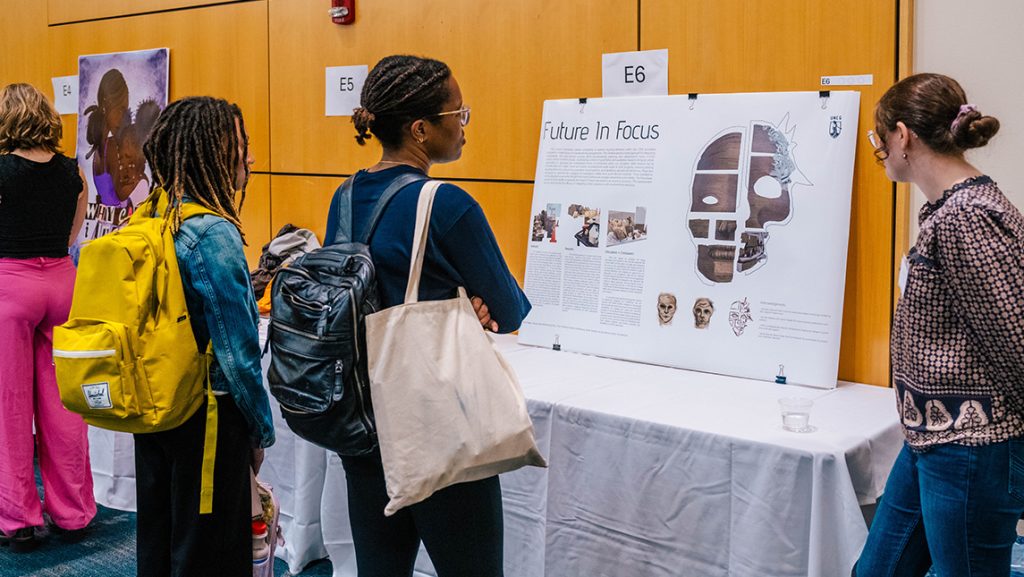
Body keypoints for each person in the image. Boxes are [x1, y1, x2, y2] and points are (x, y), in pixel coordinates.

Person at [324, 54, 531, 577]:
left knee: (380, 568)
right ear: (420, 129)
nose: (464, 125)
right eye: (457, 114)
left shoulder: (343, 197)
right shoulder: (447, 204)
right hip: (436, 425)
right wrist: (469, 303)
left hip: (363, 422)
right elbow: (506, 311)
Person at [854, 73, 1024, 576]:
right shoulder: (949, 210)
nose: (880, 149)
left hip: (974, 449)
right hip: (933, 438)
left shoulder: (966, 217)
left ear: (901, 136)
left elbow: (1016, 341)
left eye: (878, 139)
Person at [135, 96, 275, 576]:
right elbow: (238, 352)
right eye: (242, 145)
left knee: (160, 534)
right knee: (210, 550)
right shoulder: (212, 232)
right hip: (210, 412)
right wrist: (259, 430)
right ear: (214, 152)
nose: (250, 159)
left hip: (156, 401)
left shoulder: (152, 213)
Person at [0, 83, 94, 553]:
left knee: (9, 408)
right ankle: (74, 513)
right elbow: (74, 233)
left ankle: (18, 519)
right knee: (65, 405)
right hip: (61, 283)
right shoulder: (72, 171)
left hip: (10, 286)